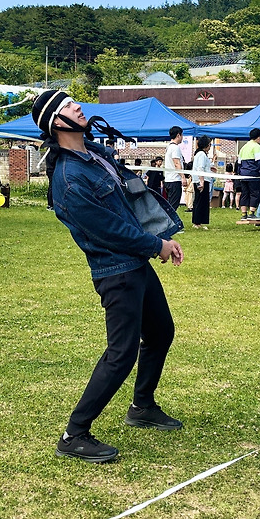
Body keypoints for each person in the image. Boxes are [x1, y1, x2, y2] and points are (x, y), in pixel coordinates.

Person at [31, 89, 184, 464]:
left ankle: (142, 406)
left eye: (73, 101)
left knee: (160, 332)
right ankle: (74, 434)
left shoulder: (93, 155)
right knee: (121, 353)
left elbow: (127, 204)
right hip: (117, 272)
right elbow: (111, 231)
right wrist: (157, 245)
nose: (77, 106)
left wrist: (157, 236)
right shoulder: (68, 179)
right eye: (67, 106)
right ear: (56, 122)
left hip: (136, 264)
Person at [237, 128, 260, 220]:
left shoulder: (244, 147)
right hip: (253, 174)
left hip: (243, 174)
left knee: (244, 194)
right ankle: (251, 213)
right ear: (258, 137)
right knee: (255, 193)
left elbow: (239, 163)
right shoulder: (257, 147)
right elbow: (259, 162)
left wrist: (239, 173)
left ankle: (243, 214)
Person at [191, 135, 212, 229]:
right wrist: (202, 182)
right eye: (209, 144)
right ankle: (197, 222)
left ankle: (198, 221)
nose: (210, 147)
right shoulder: (201, 154)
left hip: (199, 180)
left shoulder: (200, 154)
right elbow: (200, 168)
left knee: (200, 201)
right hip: (201, 180)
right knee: (200, 202)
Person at [163, 126, 185, 211]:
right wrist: (183, 177)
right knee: (173, 206)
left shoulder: (168, 147)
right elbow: (177, 163)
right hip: (174, 180)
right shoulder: (175, 148)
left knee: (170, 204)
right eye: (182, 135)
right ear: (178, 135)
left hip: (168, 179)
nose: (182, 137)